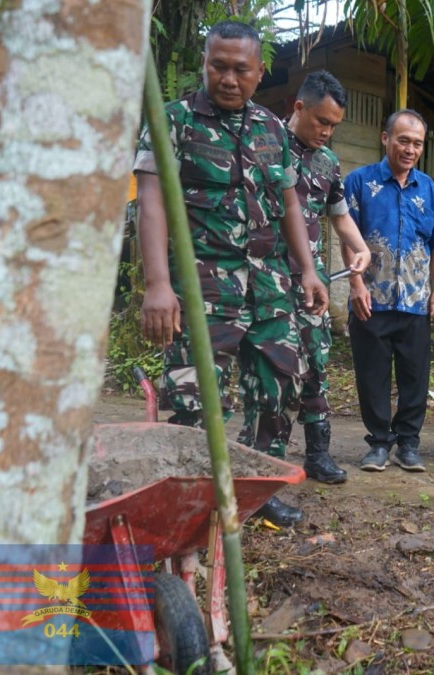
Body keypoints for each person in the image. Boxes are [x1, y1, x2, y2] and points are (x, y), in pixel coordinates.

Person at [134, 21, 328, 527]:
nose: (227, 78)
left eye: (240, 69)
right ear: (204, 63)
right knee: (195, 399)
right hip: (202, 288)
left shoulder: (271, 128)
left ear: (260, 72)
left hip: (268, 287)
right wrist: (158, 285)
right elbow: (150, 203)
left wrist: (307, 269)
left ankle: (253, 496)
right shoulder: (171, 121)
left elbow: (287, 202)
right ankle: (192, 501)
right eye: (218, 65)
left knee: (277, 388)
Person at [243, 70, 370, 486]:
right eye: (322, 122)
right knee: (274, 377)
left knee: (315, 365)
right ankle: (265, 468)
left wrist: (361, 247)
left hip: (310, 287)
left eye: (334, 126)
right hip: (267, 283)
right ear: (299, 107)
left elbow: (339, 215)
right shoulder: (264, 144)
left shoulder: (328, 162)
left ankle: (318, 455)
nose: (327, 132)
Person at [343, 109, 434, 472]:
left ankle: (408, 443)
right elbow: (348, 234)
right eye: (403, 140)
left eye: (417, 143)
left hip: (415, 301)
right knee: (372, 374)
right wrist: (356, 283)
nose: (410, 149)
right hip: (370, 299)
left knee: (415, 375)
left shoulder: (428, 187)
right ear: (385, 138)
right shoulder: (359, 182)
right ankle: (378, 443)